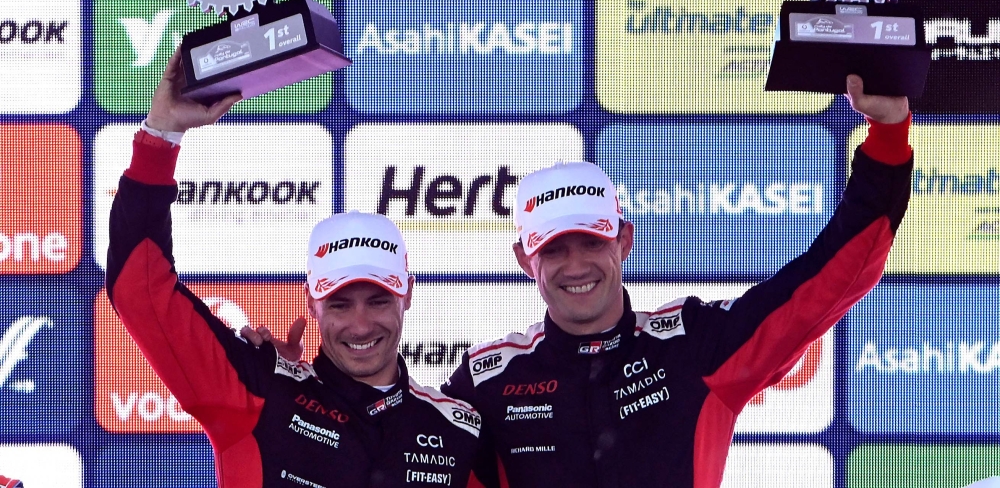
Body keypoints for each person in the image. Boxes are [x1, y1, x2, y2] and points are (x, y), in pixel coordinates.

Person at [254, 75, 911, 487]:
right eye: (553, 250)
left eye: (590, 243)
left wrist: (887, 135)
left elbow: (829, 278)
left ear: (623, 241)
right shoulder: (486, 382)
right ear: (524, 261)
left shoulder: (694, 346)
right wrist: (303, 387)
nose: (574, 267)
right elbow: (389, 450)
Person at [107, 51, 486, 488]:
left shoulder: (460, 431)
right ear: (311, 301)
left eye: (378, 300)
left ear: (408, 294)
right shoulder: (262, 390)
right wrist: (162, 133)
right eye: (340, 303)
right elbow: (141, 290)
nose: (360, 325)